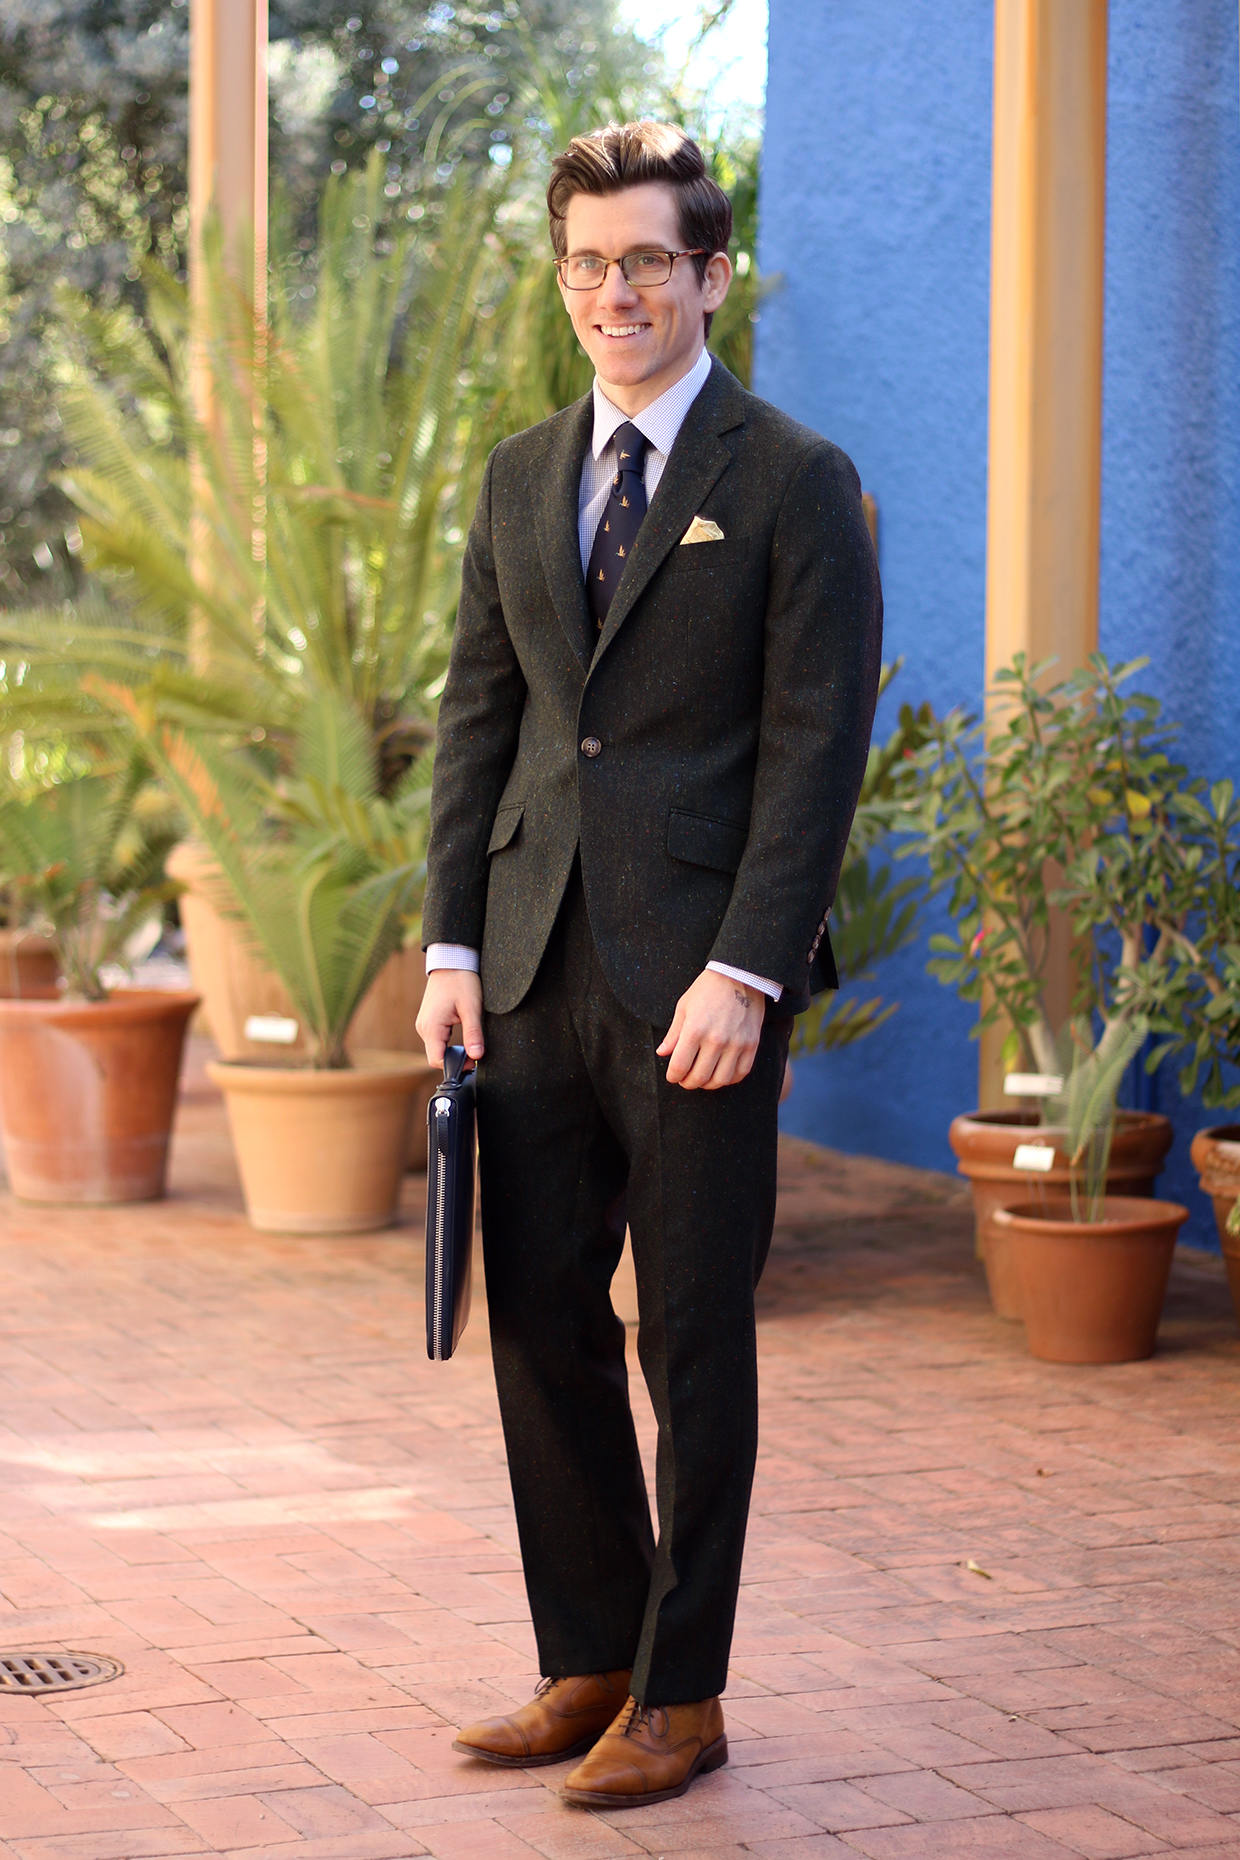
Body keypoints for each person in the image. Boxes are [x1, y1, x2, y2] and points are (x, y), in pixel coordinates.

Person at [416, 119, 882, 1810]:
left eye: (647, 262)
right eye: (588, 264)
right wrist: (450, 943)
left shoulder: (793, 479)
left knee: (689, 1338)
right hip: (530, 964)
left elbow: (815, 748)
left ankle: (684, 1695)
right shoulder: (519, 472)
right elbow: (481, 717)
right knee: (540, 1321)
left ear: (711, 274)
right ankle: (591, 1660)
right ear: (564, 280)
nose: (616, 292)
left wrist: (748, 971)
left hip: (698, 990)